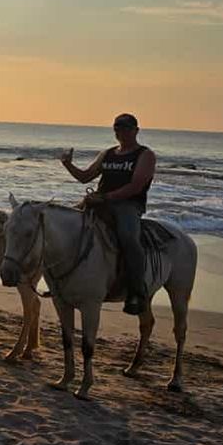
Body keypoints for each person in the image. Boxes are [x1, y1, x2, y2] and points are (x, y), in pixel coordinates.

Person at [60, 113, 156, 315]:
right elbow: (86, 177)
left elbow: (136, 186)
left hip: (128, 205)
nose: (121, 132)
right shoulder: (109, 153)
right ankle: (61, 279)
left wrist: (107, 198)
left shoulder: (145, 155)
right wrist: (68, 164)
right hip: (100, 201)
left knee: (129, 239)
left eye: (126, 129)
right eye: (117, 129)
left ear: (136, 131)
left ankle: (136, 292)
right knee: (64, 224)